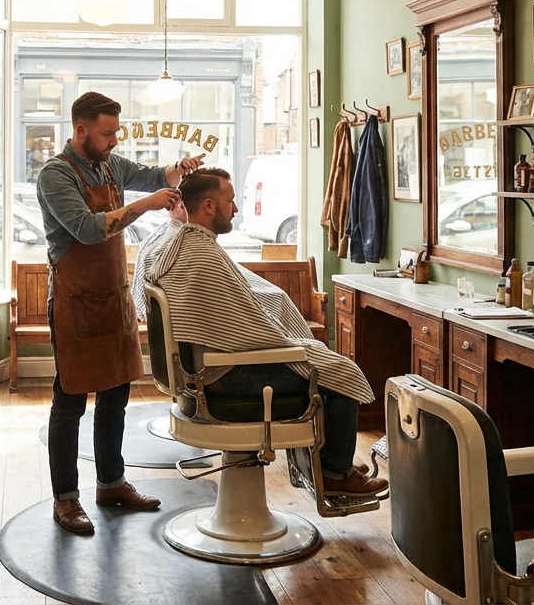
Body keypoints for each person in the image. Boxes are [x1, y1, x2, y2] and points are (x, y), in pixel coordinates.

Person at [143, 168, 388, 497]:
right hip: (219, 380)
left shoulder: (173, 245)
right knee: (342, 373)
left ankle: (331, 460)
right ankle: (336, 474)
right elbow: (252, 329)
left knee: (318, 362)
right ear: (208, 205)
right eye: (230, 201)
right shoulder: (200, 254)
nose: (236, 209)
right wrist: (290, 344)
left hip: (194, 376)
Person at [37, 91, 201, 535]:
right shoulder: (56, 174)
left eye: (116, 133)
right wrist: (145, 205)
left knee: (116, 396)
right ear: (81, 130)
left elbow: (154, 176)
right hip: (73, 302)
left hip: (112, 296)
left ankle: (111, 483)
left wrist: (179, 169)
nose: (113, 141)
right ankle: (65, 499)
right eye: (106, 133)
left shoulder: (109, 166)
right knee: (70, 399)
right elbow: (88, 230)